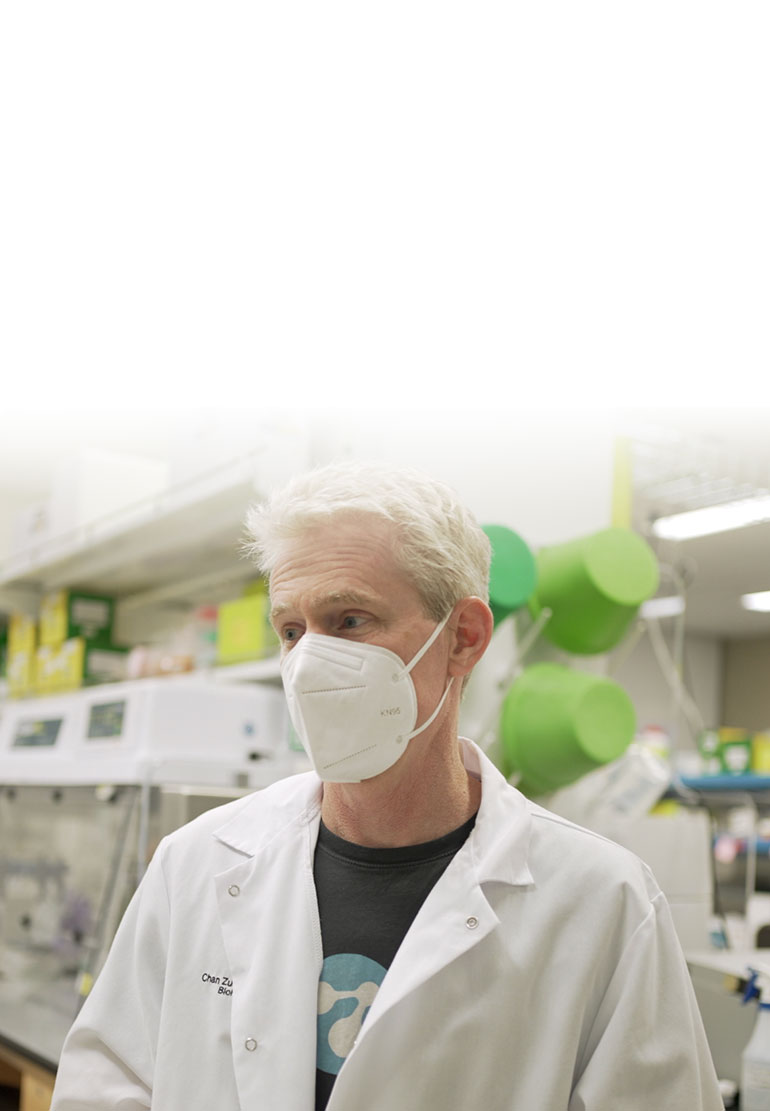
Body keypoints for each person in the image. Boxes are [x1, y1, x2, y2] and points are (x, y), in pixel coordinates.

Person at [51, 461, 723, 1110]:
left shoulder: (605, 903)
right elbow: (104, 1085)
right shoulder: (196, 864)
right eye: (291, 629)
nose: (309, 661)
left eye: (349, 619)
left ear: (463, 637)